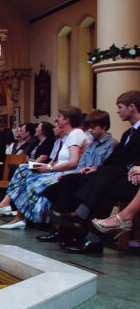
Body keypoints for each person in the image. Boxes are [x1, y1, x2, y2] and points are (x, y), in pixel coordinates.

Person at [51, 90, 140, 254]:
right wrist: (97, 169)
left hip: (135, 181)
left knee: (103, 180)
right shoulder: (129, 133)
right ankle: (88, 238)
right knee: (80, 181)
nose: (118, 111)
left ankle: (80, 217)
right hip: (124, 177)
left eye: (120, 107)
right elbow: (115, 160)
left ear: (132, 107)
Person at [0, 107, 87, 229]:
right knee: (24, 168)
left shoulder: (76, 134)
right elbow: (62, 161)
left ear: (67, 120)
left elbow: (73, 162)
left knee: (30, 180)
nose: (57, 119)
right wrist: (47, 166)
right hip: (58, 171)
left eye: (60, 117)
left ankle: (20, 217)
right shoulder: (70, 135)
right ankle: (7, 205)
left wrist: (49, 169)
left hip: (67, 175)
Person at [36, 110, 116, 243]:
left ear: (104, 127)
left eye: (93, 127)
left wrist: (94, 169)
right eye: (89, 128)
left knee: (67, 187)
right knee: (59, 186)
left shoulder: (112, 144)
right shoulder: (91, 144)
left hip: (96, 178)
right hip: (83, 176)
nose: (90, 131)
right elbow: (81, 164)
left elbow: (108, 167)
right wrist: (79, 172)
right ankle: (65, 228)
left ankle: (66, 230)